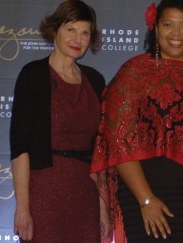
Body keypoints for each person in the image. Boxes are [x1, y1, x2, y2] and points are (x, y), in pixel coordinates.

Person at [90, 0, 183, 242]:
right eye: (168, 24)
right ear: (155, 28)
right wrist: (146, 199)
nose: (176, 34)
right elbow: (117, 141)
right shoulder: (134, 72)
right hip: (146, 197)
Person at [9, 0, 109, 242]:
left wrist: (104, 208)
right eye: (71, 29)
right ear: (55, 30)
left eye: (85, 32)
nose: (78, 39)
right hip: (44, 190)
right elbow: (20, 147)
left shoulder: (95, 81)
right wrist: (23, 207)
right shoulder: (33, 75)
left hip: (85, 193)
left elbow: (100, 152)